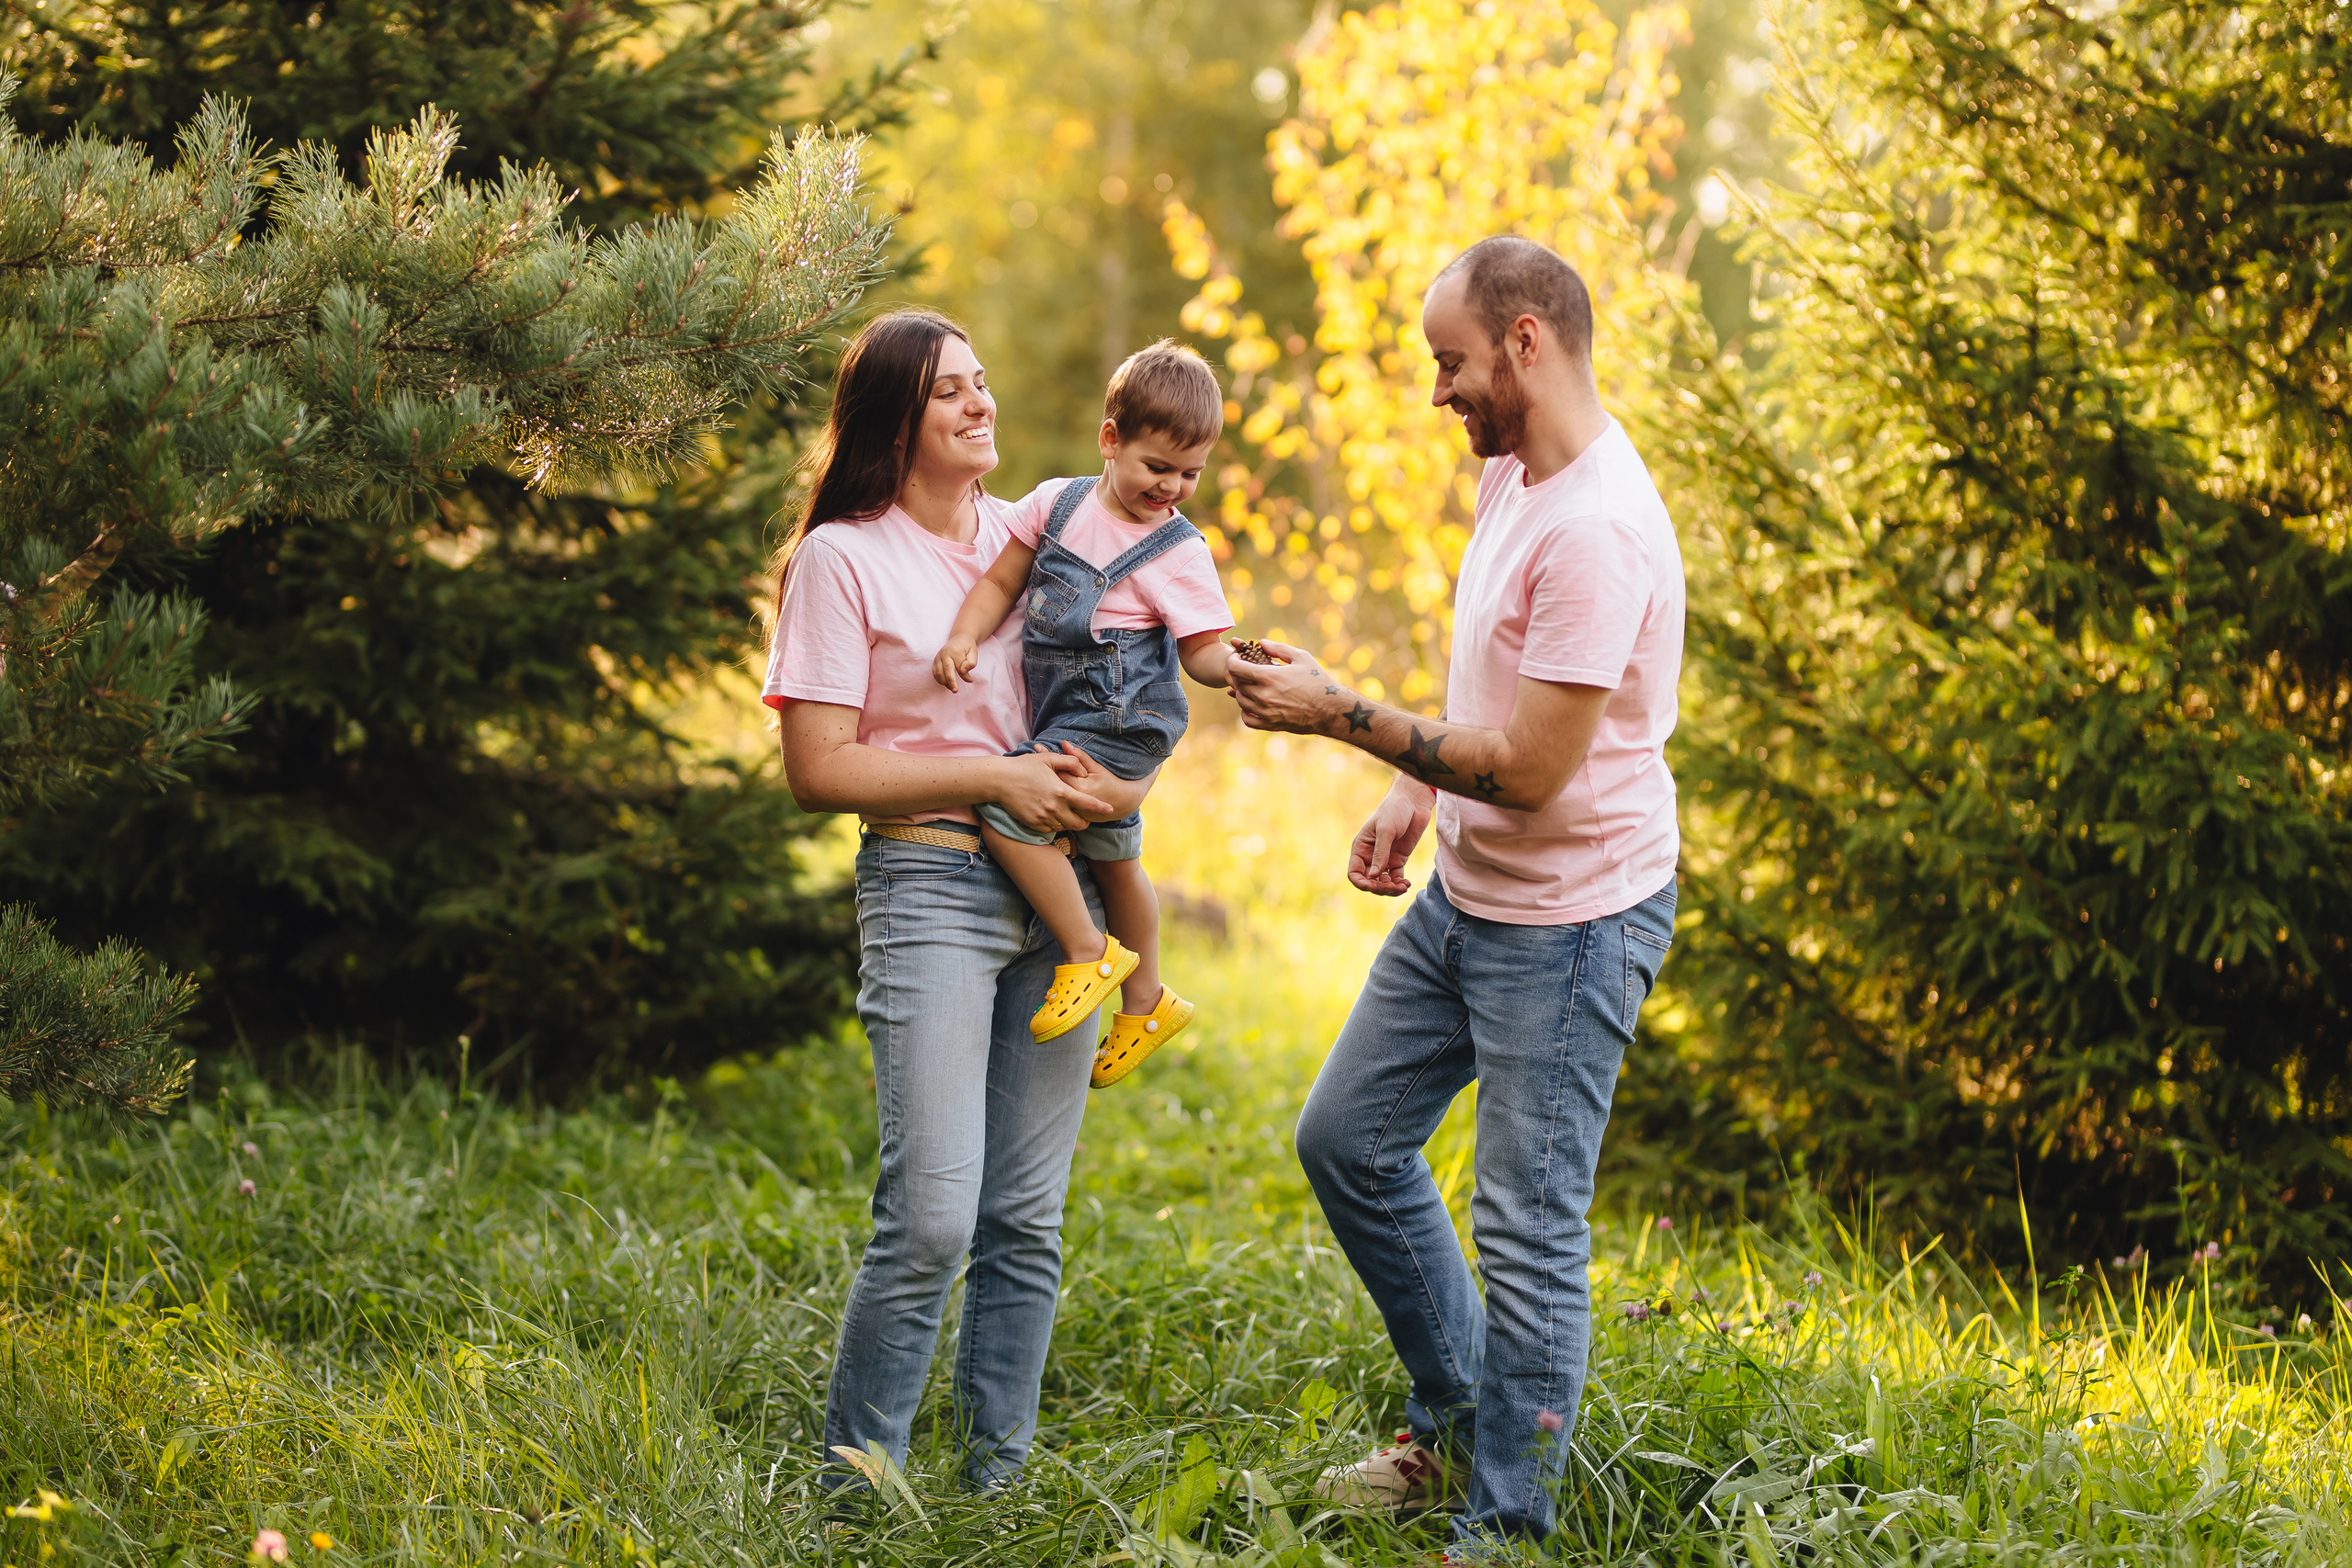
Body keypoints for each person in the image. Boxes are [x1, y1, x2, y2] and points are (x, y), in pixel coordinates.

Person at [1226, 236, 1683, 1557]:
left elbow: (1537, 770)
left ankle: (1509, 1518)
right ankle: (1461, 1413)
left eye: (1452, 361)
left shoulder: (1599, 528)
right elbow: (1495, 681)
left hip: (1574, 918)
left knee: (1528, 1227)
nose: (1440, 391)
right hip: (1473, 893)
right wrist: (1414, 788)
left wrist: (1342, 715)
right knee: (1347, 1136)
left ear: (1527, 341)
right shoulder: (1515, 474)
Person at [765, 309, 1155, 1491]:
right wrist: (990, 773)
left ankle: (998, 1485)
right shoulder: (844, 557)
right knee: (933, 1213)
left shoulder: (1039, 532)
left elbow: (1131, 665)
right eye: (950, 392)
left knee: (1024, 1220)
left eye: (983, 383)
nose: (981, 404)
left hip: (1064, 899)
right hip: (931, 879)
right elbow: (819, 766)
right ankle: (857, 1486)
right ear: (896, 419)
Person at [933, 340, 1236, 1089]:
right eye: (1156, 467)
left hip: (1120, 719)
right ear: (1109, 440)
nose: (1171, 488)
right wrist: (964, 635)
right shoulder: (1054, 505)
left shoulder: (1178, 549)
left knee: (1007, 799)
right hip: (1075, 712)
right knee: (1114, 852)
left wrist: (1250, 669)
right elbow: (1003, 581)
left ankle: (1085, 949)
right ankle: (1147, 999)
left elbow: (1203, 652)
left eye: (1190, 473)